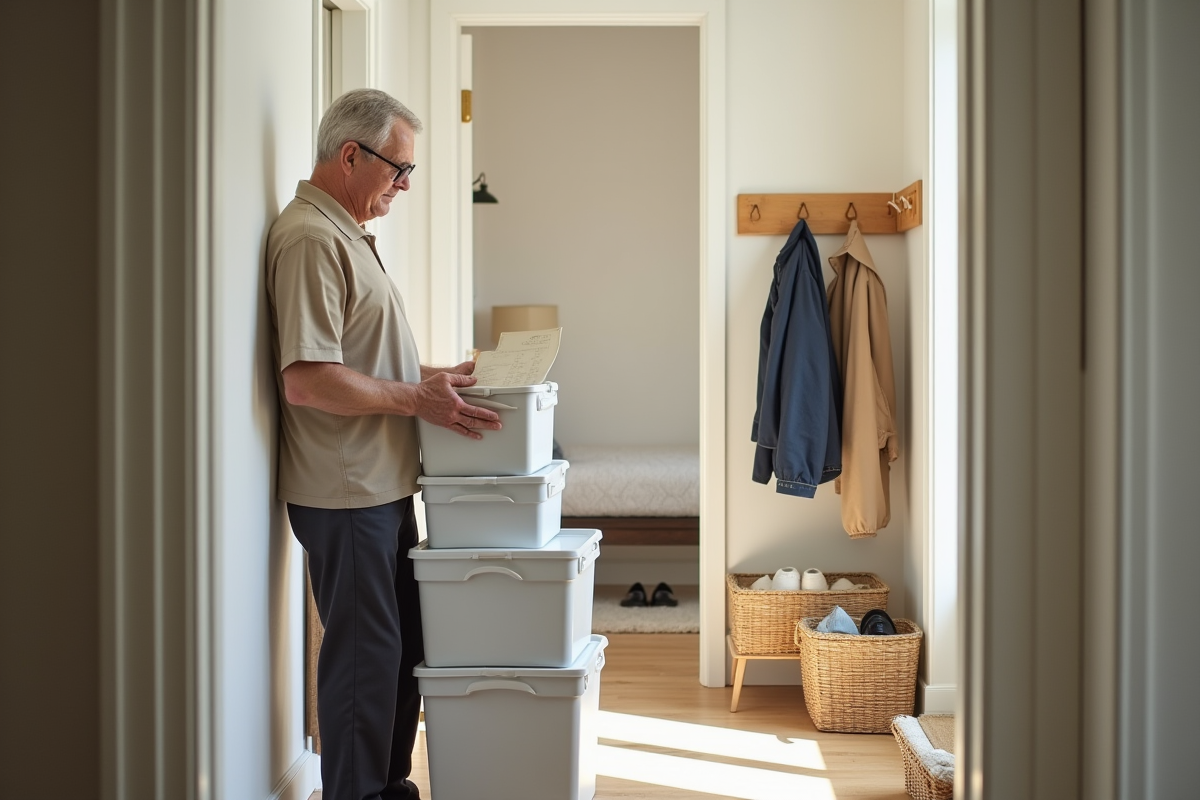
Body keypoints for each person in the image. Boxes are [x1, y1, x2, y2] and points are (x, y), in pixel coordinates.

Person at [266, 88, 501, 800]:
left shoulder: (345, 235)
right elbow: (307, 379)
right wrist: (416, 400)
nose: (403, 185)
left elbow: (360, 358)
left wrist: (439, 378)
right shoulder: (310, 238)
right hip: (346, 491)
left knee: (400, 653)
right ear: (350, 155)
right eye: (399, 169)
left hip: (381, 483)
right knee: (365, 663)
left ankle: (387, 787)